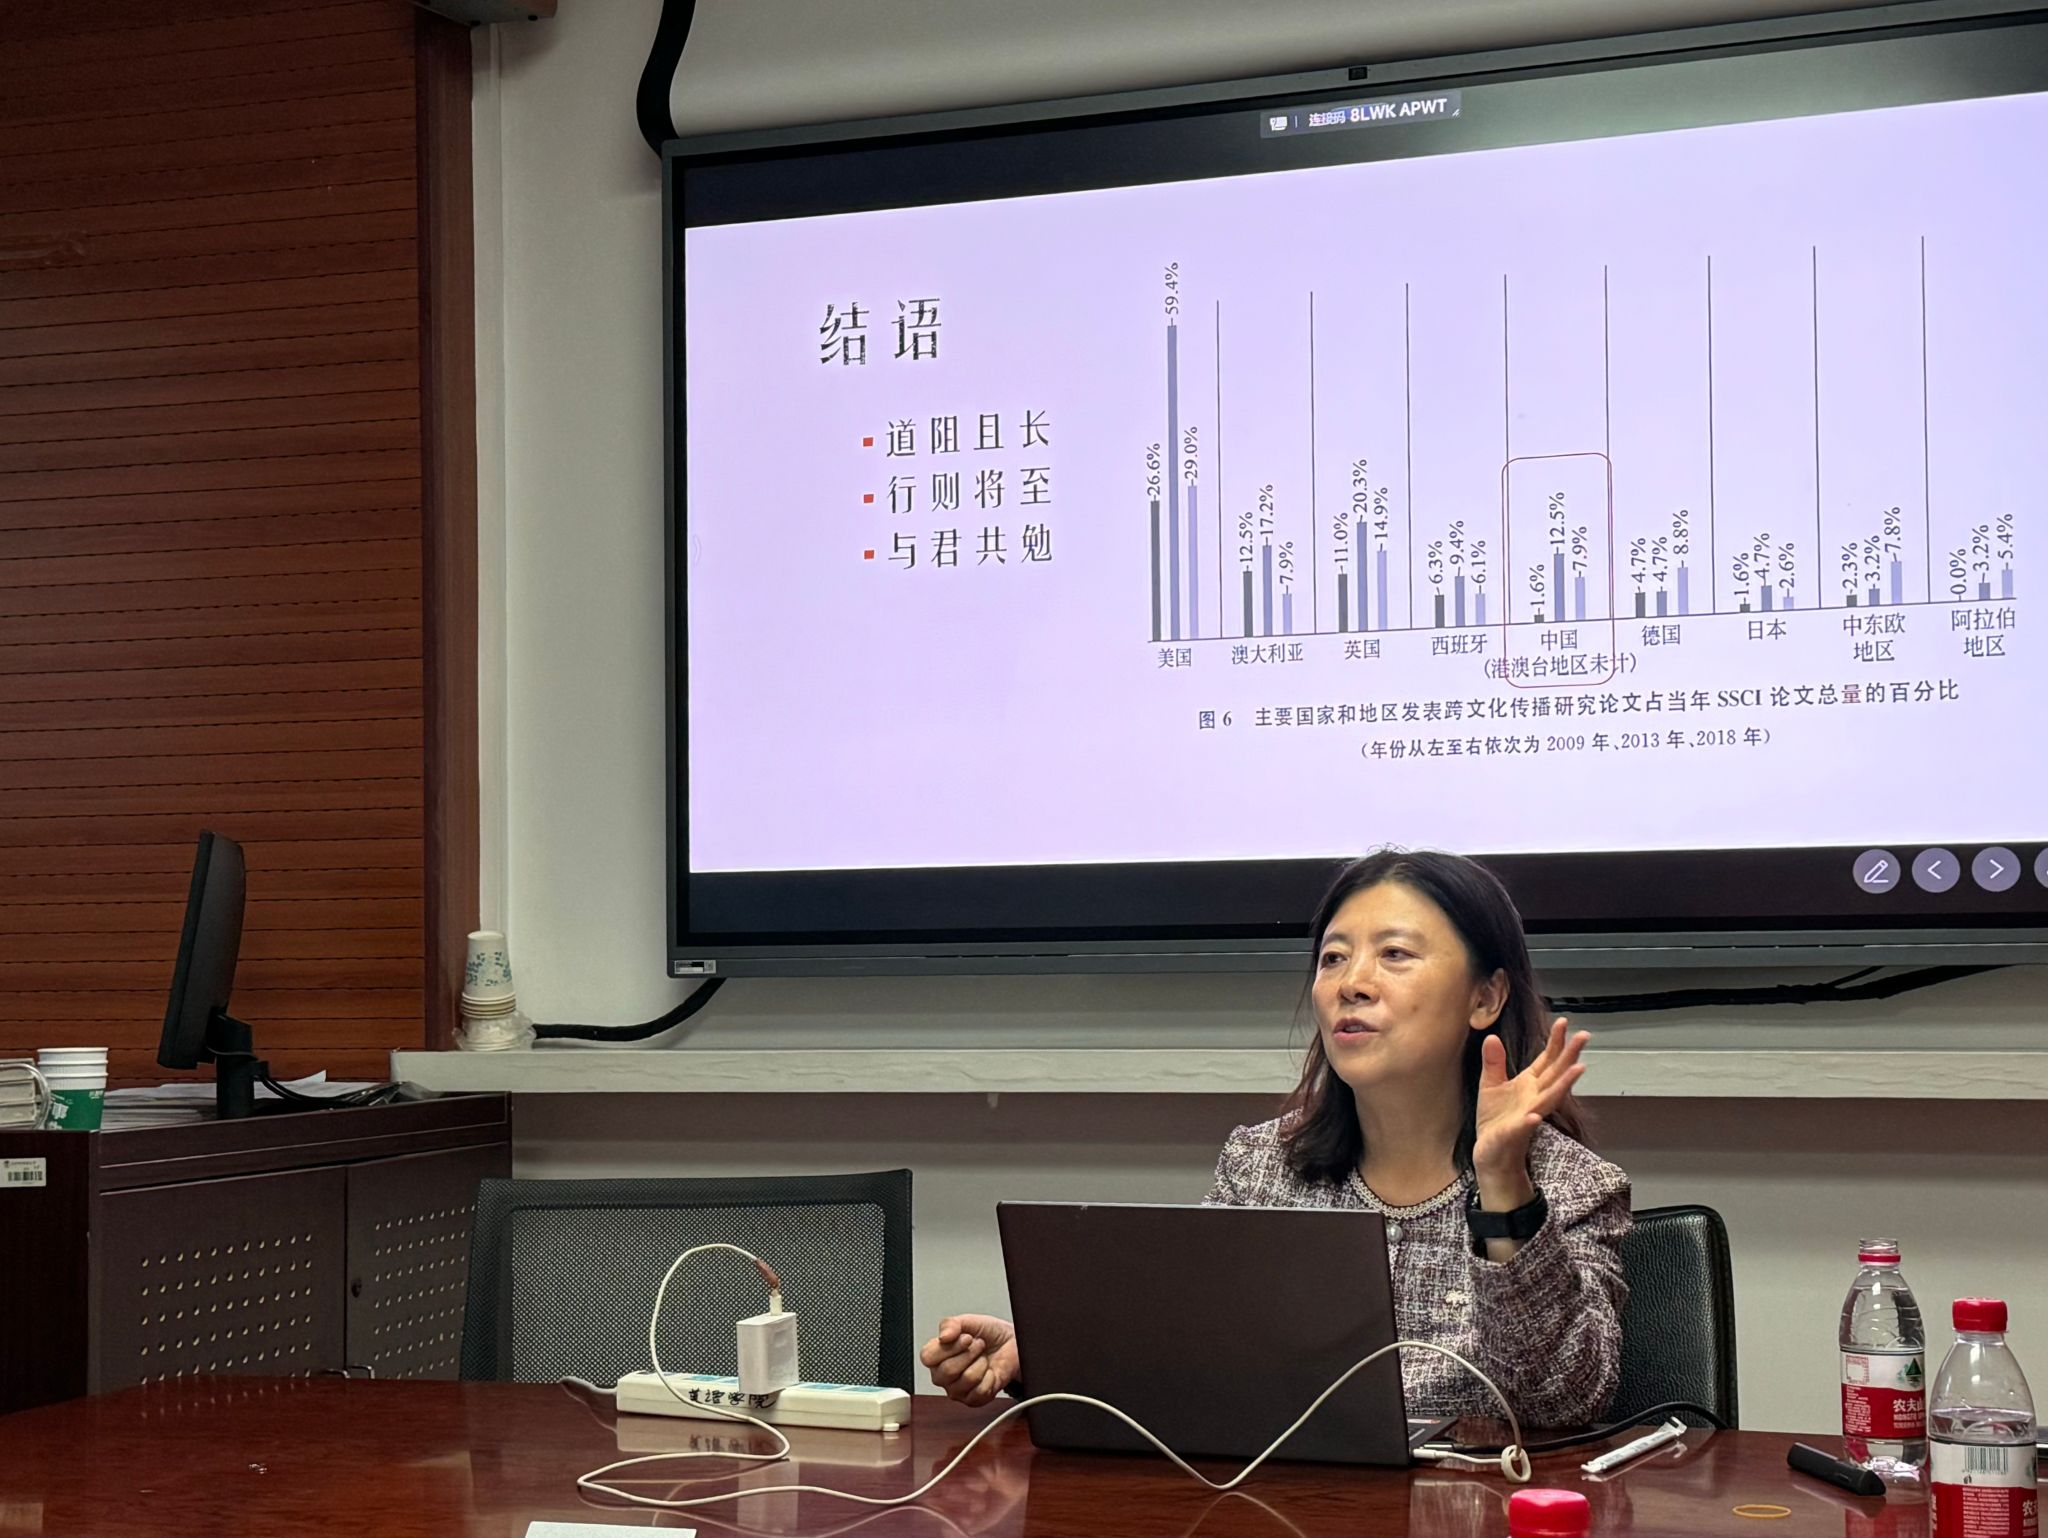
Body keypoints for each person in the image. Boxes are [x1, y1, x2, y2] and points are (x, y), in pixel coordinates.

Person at [921, 849, 1632, 1427]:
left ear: (1485, 997)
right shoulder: (1262, 1166)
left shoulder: (1574, 1186)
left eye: (1394, 954)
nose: (1352, 984)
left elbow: (1560, 1404)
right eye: (1333, 958)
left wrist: (1505, 1186)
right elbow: (1188, 1351)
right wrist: (1041, 1359)